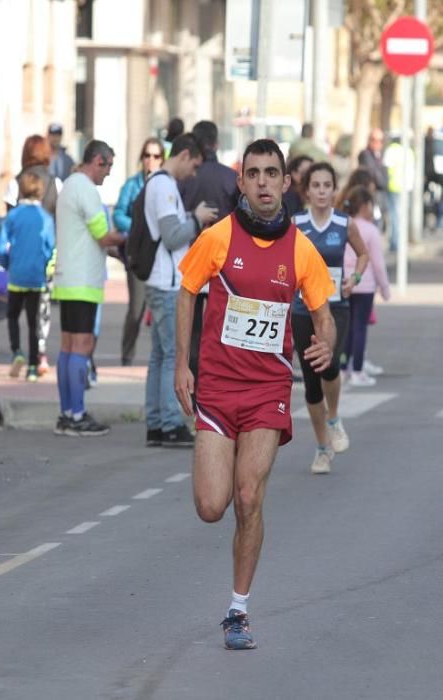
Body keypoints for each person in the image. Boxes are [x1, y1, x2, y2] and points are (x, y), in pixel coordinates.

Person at [174, 138, 336, 650]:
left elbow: (324, 314)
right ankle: (237, 595)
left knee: (249, 496)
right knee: (210, 506)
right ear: (240, 182)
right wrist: (182, 365)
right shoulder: (217, 238)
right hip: (219, 388)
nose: (264, 182)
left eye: (272, 173)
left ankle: (238, 610)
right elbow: (186, 293)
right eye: (254, 173)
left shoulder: (301, 250)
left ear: (286, 183)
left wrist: (325, 347)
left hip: (267, 390)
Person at [292, 162, 369, 474]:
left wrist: (356, 279)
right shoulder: (295, 224)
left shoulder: (344, 223)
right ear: (307, 190)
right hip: (302, 308)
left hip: (335, 305)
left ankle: (334, 416)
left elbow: (363, 254)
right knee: (311, 383)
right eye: (316, 185)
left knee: (330, 365)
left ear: (334, 190)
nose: (322, 191)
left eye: (327, 185)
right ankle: (322, 447)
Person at [143, 133, 217, 448]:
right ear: (184, 155)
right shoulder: (164, 186)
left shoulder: (159, 184)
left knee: (160, 354)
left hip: (159, 280)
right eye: (195, 165)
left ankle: (157, 422)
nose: (194, 173)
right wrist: (197, 220)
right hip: (166, 281)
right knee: (172, 354)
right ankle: (170, 422)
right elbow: (173, 237)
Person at [52, 139, 124, 436]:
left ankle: (67, 412)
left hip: (68, 279)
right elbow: (103, 236)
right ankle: (78, 415)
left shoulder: (69, 184)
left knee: (68, 346)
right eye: (107, 168)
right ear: (97, 160)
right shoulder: (86, 190)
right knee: (81, 346)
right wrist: (129, 237)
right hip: (83, 282)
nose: (107, 175)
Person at [179, 121, 239, 390]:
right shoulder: (230, 178)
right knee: (222, 329)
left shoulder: (186, 176)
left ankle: (193, 389)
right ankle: (216, 386)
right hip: (226, 262)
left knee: (192, 331)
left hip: (191, 257)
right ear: (215, 143)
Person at [3, 134, 60, 377]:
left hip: (18, 266)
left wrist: (7, 261)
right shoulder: (57, 184)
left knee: (15, 314)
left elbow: (7, 228)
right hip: (43, 263)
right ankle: (39, 358)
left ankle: (19, 352)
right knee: (40, 314)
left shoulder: (14, 184)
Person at [113, 137, 164, 366]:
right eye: (147, 155)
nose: (150, 160)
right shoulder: (132, 185)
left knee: (163, 311)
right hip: (138, 255)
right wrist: (137, 229)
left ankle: (161, 356)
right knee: (136, 310)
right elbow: (118, 214)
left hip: (162, 257)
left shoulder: (167, 184)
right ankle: (126, 354)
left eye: (155, 156)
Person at [341, 186, 390, 387]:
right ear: (364, 206)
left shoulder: (344, 224)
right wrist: (385, 287)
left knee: (346, 329)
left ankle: (344, 370)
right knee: (359, 328)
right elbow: (377, 262)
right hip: (365, 284)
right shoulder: (370, 230)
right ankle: (358, 370)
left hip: (345, 283)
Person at [358, 129, 389, 232]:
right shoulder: (365, 155)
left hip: (380, 199)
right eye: (374, 140)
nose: (377, 143)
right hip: (371, 200)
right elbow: (376, 176)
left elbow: (384, 175)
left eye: (380, 141)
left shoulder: (380, 155)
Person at [423, 127, 443, 229]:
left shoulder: (431, 143)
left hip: (431, 173)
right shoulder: (423, 144)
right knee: (424, 200)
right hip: (425, 174)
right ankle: (425, 220)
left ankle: (439, 217)